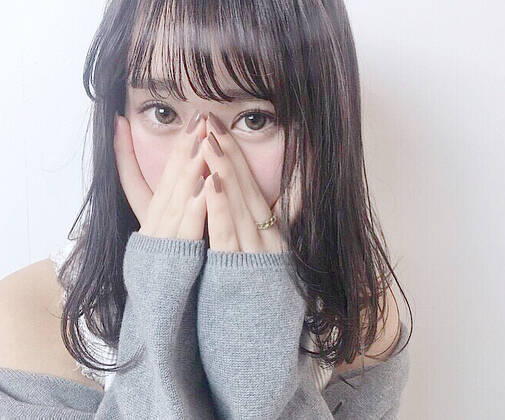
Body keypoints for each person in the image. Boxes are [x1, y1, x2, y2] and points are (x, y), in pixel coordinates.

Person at [0, 0, 412, 418]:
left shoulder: (361, 321)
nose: (204, 162)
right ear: (118, 121)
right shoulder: (24, 321)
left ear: (321, 135)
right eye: (163, 112)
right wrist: (158, 293)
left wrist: (257, 313)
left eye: (254, 119)